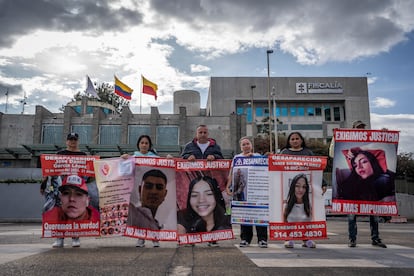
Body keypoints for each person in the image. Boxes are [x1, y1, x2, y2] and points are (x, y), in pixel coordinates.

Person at [330, 120, 387, 248]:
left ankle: (375, 238)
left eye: (362, 127)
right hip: (355, 192)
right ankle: (352, 239)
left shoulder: (370, 151)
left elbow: (381, 151)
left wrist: (383, 137)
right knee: (351, 217)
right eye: (358, 128)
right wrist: (336, 138)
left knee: (374, 216)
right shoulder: (349, 153)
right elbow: (333, 152)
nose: (360, 130)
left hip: (370, 192)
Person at [41, 132, 88, 248]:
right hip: (60, 188)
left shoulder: (83, 155)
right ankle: (59, 238)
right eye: (70, 139)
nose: (72, 142)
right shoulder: (59, 154)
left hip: (77, 187)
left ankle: (75, 237)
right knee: (60, 212)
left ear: (78, 141)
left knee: (75, 212)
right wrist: (43, 185)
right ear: (67, 141)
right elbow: (50, 171)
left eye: (75, 140)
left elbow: (88, 171)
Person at [181, 124, 224, 247]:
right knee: (193, 211)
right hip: (194, 182)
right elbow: (182, 158)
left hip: (210, 182)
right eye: (200, 132)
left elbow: (221, 159)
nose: (203, 134)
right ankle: (192, 239)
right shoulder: (189, 146)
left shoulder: (215, 146)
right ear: (196, 134)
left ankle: (212, 238)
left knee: (212, 212)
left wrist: (215, 157)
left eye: (205, 132)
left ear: (208, 134)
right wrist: (187, 157)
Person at [226, 136, 268, 248]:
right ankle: (245, 239)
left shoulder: (259, 156)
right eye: (243, 144)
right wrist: (228, 186)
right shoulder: (237, 158)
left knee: (259, 215)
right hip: (242, 192)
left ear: (251, 145)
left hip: (256, 191)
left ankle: (262, 239)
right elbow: (232, 173)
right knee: (244, 214)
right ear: (240, 147)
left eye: (247, 143)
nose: (246, 146)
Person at [280, 131, 320, 248]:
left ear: (301, 140)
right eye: (292, 139)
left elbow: (316, 169)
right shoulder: (284, 152)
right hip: (289, 187)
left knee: (306, 214)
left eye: (297, 138)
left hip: (305, 186)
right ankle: (288, 238)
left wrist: (322, 183)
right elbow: (277, 169)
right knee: (288, 214)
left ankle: (306, 238)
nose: (295, 141)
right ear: (289, 141)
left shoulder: (308, 152)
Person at [283, 173, 314, 248]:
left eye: (304, 187)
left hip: (306, 236)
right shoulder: (287, 205)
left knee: (311, 244)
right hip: (289, 237)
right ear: (293, 187)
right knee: (289, 243)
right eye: (297, 186)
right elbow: (284, 222)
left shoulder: (309, 205)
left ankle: (306, 240)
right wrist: (287, 238)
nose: (301, 190)